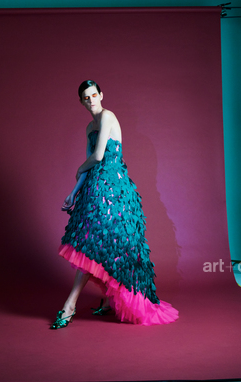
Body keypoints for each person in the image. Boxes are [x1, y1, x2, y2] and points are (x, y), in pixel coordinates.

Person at [51, 80, 179, 329]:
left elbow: (98, 156)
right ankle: (106, 300)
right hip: (94, 190)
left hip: (113, 190)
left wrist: (79, 168)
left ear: (101, 95)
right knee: (97, 243)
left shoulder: (108, 116)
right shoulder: (89, 127)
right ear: (81, 102)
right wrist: (73, 192)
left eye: (93, 95)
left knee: (103, 244)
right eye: (85, 97)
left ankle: (70, 305)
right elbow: (89, 166)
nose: (90, 100)